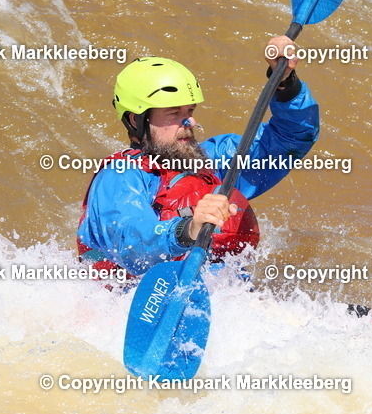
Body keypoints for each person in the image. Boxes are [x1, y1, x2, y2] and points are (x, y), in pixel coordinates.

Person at [76, 37, 316, 277]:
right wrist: (189, 229)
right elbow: (131, 245)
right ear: (134, 120)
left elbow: (291, 138)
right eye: (173, 113)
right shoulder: (120, 176)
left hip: (229, 301)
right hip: (138, 302)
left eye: (190, 111)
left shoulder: (210, 159)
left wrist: (285, 84)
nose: (190, 121)